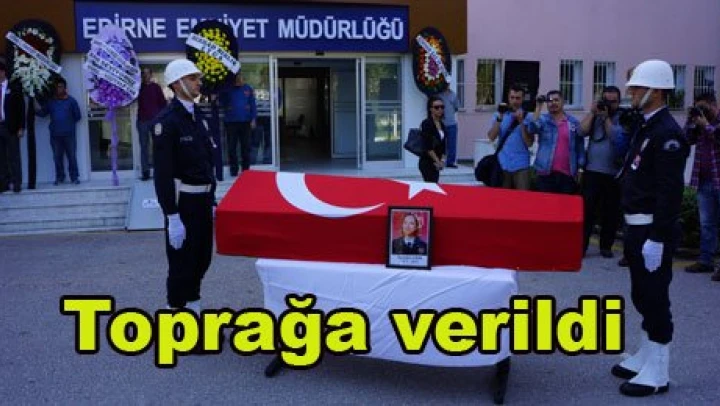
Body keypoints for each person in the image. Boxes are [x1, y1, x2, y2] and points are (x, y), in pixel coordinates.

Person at [610, 59, 689, 397]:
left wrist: (657, 238)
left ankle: (658, 371)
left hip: (650, 230)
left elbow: (670, 193)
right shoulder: (647, 126)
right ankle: (646, 353)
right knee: (641, 294)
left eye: (638, 88)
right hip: (636, 226)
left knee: (655, 298)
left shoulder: (667, 133)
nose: (631, 93)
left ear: (655, 91)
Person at [152, 59, 218, 348]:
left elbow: (206, 162)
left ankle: (193, 312)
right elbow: (163, 175)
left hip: (203, 200)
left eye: (198, 78)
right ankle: (174, 324)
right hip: (184, 203)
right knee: (181, 264)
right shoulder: (167, 123)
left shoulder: (199, 116)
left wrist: (212, 199)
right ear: (177, 84)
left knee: (202, 259)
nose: (198, 82)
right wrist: (172, 216)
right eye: (192, 78)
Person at [579, 86, 629, 257]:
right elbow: (581, 131)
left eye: (613, 102)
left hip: (613, 172)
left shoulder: (623, 117)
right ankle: (582, 246)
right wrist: (593, 113)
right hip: (592, 171)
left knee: (611, 212)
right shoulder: (595, 116)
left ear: (619, 102)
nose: (609, 105)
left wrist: (606, 118)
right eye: (606, 101)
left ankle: (606, 246)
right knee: (587, 211)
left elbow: (617, 138)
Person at [682, 92, 720, 279]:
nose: (702, 112)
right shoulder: (698, 124)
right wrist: (691, 122)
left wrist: (707, 125)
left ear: (714, 105)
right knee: (707, 224)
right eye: (699, 108)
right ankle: (706, 261)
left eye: (704, 107)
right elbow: (685, 140)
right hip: (704, 180)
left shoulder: (714, 123)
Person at [525, 90, 585, 194]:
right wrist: (538, 106)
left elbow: (579, 146)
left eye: (556, 100)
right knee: (545, 204)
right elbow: (531, 128)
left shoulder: (573, 122)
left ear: (562, 102)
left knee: (564, 204)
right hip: (545, 174)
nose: (553, 103)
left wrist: (580, 168)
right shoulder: (543, 120)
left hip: (567, 175)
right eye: (550, 101)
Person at [35, 77, 82, 185]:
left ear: (65, 88)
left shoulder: (72, 101)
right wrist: (33, 107)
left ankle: (74, 177)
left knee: (72, 156)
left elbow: (78, 116)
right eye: (57, 87)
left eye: (61, 87)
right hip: (55, 136)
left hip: (69, 135)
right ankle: (60, 177)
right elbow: (43, 113)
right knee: (57, 157)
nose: (58, 89)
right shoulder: (51, 102)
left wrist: (68, 123)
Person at [487, 84, 533, 190]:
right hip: (503, 163)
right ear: (508, 98)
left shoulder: (528, 117)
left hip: (521, 164)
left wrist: (522, 122)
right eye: (512, 98)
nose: (514, 101)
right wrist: (500, 118)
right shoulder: (498, 115)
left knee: (523, 198)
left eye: (518, 98)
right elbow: (491, 137)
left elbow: (529, 143)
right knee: (503, 198)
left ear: (522, 99)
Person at [219, 72, 256, 177]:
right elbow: (221, 102)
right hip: (231, 122)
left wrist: (253, 119)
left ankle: (246, 171)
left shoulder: (248, 88)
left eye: (241, 79)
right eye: (238, 79)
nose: (240, 81)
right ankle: (234, 170)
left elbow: (252, 104)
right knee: (231, 148)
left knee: (246, 147)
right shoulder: (227, 89)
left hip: (245, 122)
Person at [0, 56, 26, 193]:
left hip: (11, 127)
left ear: (3, 72)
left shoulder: (14, 87)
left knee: (14, 156)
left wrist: (21, 127)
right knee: (1, 158)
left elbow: (21, 108)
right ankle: (3, 183)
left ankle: (16, 183)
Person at [136, 67, 167, 180]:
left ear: (151, 74)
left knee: (157, 146)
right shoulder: (138, 88)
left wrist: (160, 118)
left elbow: (163, 104)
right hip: (142, 121)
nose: (145, 75)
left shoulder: (156, 87)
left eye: (147, 73)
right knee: (144, 147)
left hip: (155, 121)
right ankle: (145, 172)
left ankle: (159, 171)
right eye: (143, 73)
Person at [418, 95, 447, 183]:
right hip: (427, 162)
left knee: (434, 185)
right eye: (436, 107)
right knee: (431, 186)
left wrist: (442, 161)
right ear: (431, 109)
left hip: (436, 163)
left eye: (442, 107)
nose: (440, 109)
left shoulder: (441, 124)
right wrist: (438, 161)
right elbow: (428, 146)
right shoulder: (426, 123)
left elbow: (444, 145)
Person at [437, 76, 460, 168]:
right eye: (445, 83)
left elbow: (456, 108)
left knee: (452, 144)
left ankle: (450, 162)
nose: (446, 85)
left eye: (448, 83)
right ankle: (439, 161)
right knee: (440, 144)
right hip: (441, 124)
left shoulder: (453, 95)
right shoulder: (439, 95)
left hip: (451, 124)